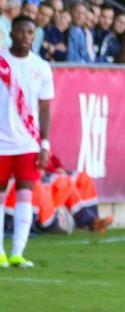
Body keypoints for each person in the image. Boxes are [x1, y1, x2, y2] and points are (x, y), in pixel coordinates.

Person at [0, 15, 53, 268]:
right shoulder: (1, 61)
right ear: (11, 33)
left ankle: (18, 253)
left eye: (30, 32)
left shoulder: (41, 67)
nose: (25, 36)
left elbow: (45, 108)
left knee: (25, 195)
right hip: (1, 142)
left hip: (28, 143)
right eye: (20, 31)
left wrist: (45, 144)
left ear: (35, 36)